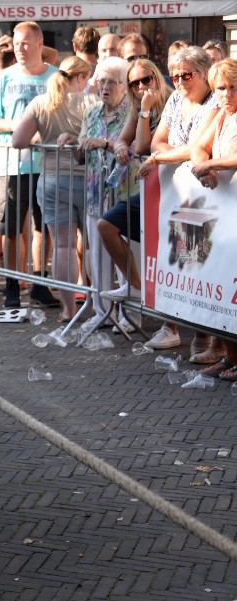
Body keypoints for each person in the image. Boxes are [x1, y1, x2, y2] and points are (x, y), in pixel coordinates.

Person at [135, 46, 219, 357]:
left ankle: (207, 336)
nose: (180, 81)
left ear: (204, 74)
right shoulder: (174, 98)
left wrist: (161, 157)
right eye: (175, 75)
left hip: (207, 193)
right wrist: (166, 154)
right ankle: (172, 325)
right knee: (182, 258)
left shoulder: (214, 100)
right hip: (178, 192)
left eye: (187, 75)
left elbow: (197, 148)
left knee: (203, 263)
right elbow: (157, 140)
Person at [0, 21, 60, 309]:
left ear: (40, 44)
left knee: (45, 227)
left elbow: (68, 114)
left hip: (49, 164)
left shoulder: (56, 78)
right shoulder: (2, 79)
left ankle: (40, 283)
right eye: (16, 44)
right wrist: (19, 127)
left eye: (26, 43)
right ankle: (12, 284)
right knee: (11, 228)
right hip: (12, 165)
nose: (20, 49)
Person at [11, 56, 91, 319]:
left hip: (52, 180)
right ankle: (95, 305)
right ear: (80, 77)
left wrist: (41, 136)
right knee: (90, 245)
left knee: (63, 246)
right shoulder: (92, 102)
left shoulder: (40, 102)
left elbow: (18, 140)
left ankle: (68, 309)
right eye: (87, 78)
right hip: (86, 179)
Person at [97, 58, 170, 305]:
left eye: (146, 80)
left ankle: (169, 321)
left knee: (168, 250)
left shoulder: (171, 100)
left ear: (156, 77)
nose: (141, 87)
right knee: (105, 225)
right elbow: (124, 140)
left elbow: (142, 145)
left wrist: (146, 111)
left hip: (173, 189)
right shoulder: (136, 107)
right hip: (150, 188)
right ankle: (136, 286)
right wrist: (119, 147)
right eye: (134, 83)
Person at [73, 56, 136, 332]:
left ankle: (130, 315)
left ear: (124, 86)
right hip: (94, 192)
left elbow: (134, 150)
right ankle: (101, 312)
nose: (105, 86)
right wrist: (73, 143)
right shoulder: (92, 112)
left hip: (125, 192)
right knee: (97, 256)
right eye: (101, 81)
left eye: (112, 81)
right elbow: (81, 150)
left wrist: (106, 144)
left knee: (125, 255)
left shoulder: (132, 113)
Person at [184, 58, 237, 380]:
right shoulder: (219, 115)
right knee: (220, 283)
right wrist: (204, 167)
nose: (228, 93)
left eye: (233, 87)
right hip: (221, 214)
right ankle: (230, 357)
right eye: (222, 88)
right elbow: (196, 149)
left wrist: (211, 164)